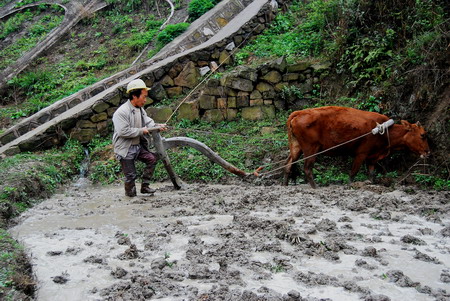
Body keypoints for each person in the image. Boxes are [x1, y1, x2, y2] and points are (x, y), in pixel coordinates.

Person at [112, 78, 167, 197]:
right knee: (130, 175)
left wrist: (157, 126)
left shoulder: (140, 109)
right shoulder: (121, 112)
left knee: (152, 159)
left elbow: (147, 122)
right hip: (125, 148)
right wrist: (142, 131)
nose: (145, 100)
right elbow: (123, 132)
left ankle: (145, 186)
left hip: (138, 146)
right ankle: (131, 198)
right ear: (134, 96)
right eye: (144, 96)